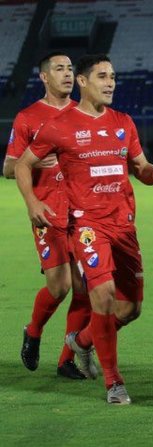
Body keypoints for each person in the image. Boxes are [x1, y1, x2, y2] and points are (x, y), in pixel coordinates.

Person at [15, 54, 153, 405]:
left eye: (114, 77)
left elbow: (142, 168)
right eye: (102, 76)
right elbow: (21, 165)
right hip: (87, 225)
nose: (110, 83)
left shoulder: (123, 123)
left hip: (124, 226)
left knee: (130, 309)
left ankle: (81, 342)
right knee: (100, 296)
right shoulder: (59, 125)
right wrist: (32, 203)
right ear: (84, 82)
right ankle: (113, 382)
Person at [3, 51, 92, 380]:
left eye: (70, 69)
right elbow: (9, 167)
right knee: (59, 286)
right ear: (44, 77)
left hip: (82, 213)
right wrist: (37, 160)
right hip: (48, 212)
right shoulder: (28, 118)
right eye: (59, 69)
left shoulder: (83, 113)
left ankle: (66, 358)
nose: (67, 74)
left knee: (85, 287)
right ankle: (34, 330)